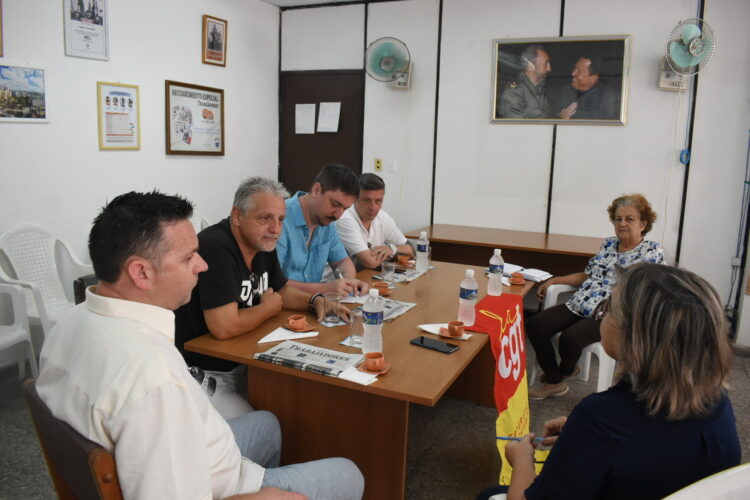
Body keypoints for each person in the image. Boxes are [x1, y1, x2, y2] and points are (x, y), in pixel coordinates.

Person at [36, 191, 364, 499]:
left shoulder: (69, 323)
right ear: (141, 273)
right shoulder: (154, 380)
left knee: (267, 423)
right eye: (189, 257)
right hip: (211, 484)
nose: (201, 265)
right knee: (350, 474)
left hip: (196, 454)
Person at [478, 263, 741, 500]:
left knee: (491, 494)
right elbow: (653, 445)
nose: (601, 314)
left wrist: (522, 460)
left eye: (609, 308)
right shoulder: (718, 402)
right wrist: (581, 442)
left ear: (636, 337)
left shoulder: (600, 417)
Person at [175, 177, 351, 419]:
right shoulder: (216, 247)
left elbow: (281, 290)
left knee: (302, 402)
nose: (275, 229)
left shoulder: (261, 244)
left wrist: (315, 301)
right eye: (265, 218)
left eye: (280, 220)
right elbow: (224, 327)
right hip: (204, 372)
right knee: (265, 422)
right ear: (237, 216)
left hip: (244, 362)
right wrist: (268, 308)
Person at [527, 194, 664, 400]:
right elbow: (588, 275)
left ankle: (564, 371)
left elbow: (648, 291)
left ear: (643, 224)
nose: (622, 223)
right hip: (579, 303)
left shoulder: (652, 251)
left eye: (629, 219)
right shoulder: (609, 244)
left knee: (570, 339)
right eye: (618, 219)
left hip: (610, 313)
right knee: (535, 325)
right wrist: (556, 280)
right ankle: (555, 380)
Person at [277, 163, 368, 296]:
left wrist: (348, 281)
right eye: (335, 204)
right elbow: (274, 282)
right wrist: (325, 288)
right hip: (284, 307)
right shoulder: (279, 219)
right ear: (316, 190)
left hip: (313, 304)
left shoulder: (327, 222)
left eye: (345, 209)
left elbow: (341, 261)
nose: (338, 215)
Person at [335, 173, 413, 270]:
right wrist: (395, 254)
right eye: (366, 200)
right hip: (337, 281)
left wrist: (391, 249)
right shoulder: (345, 220)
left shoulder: (383, 216)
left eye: (378, 201)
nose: (373, 208)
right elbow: (370, 263)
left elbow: (411, 249)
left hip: (365, 277)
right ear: (354, 199)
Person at [553, 56, 620, 120]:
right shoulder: (562, 92)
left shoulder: (611, 99)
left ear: (593, 78)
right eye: (574, 68)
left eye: (579, 71)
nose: (573, 73)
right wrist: (560, 120)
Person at [498, 44, 551, 119]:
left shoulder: (540, 89)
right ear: (530, 66)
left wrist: (558, 119)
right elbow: (516, 126)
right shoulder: (513, 92)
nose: (549, 69)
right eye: (546, 63)